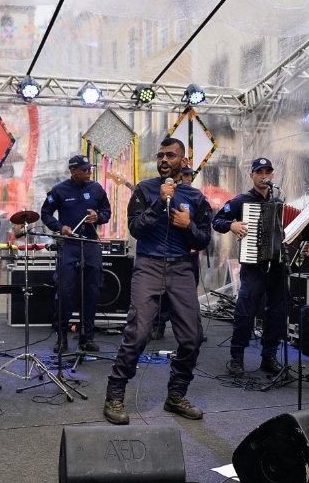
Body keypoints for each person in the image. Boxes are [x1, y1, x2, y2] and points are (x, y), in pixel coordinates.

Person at [104, 138, 212, 425]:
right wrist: (157, 204)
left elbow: (204, 239)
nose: (164, 159)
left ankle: (176, 396)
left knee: (192, 338)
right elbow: (136, 229)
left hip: (181, 269)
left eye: (171, 155)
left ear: (183, 161)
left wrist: (187, 225)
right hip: (148, 266)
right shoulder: (144, 190)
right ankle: (114, 396)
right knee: (138, 334)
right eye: (161, 155)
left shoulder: (196, 197)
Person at [213, 157, 309, 377]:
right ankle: (237, 358)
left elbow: (295, 233)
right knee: (245, 312)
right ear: (252, 175)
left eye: (268, 171)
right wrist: (232, 224)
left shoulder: (279, 204)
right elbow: (216, 221)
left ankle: (269, 356)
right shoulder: (241, 201)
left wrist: (307, 246)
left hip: (278, 268)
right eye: (259, 172)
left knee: (278, 312)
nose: (264, 175)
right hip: (253, 266)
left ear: (273, 175)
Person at [40, 154, 111, 353]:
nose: (89, 172)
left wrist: (99, 217)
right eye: (85, 169)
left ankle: (86, 337)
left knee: (91, 291)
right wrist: (60, 227)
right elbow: (45, 214)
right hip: (69, 245)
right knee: (65, 291)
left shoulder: (96, 188)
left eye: (90, 169)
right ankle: (61, 338)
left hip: (90, 244)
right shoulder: (58, 190)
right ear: (73, 171)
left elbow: (107, 211)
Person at [153, 165, 197, 340]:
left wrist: (191, 227)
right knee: (162, 291)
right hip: (166, 250)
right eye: (185, 174)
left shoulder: (194, 195)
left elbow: (203, 224)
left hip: (189, 252)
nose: (188, 178)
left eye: (190, 175)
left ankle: (191, 327)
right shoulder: (165, 193)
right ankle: (159, 325)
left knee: (188, 292)